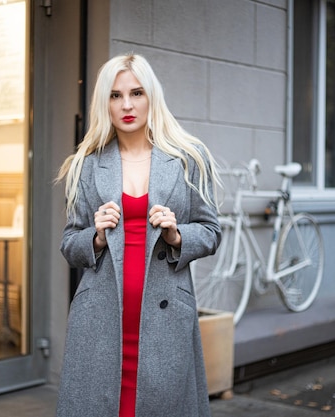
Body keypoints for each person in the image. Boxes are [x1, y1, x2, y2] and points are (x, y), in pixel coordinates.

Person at [55, 53, 221, 417]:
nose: (127, 105)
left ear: (152, 97)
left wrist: (177, 235)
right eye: (115, 95)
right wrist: (95, 237)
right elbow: (69, 243)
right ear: (105, 103)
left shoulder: (187, 158)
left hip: (164, 317)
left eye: (136, 93)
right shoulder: (87, 164)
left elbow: (211, 232)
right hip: (101, 317)